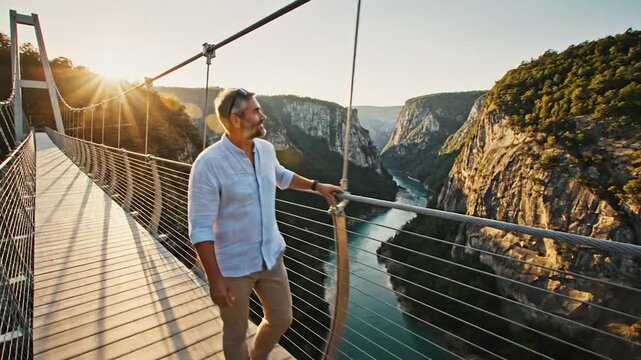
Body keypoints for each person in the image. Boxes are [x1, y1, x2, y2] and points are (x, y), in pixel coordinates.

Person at [188, 88, 343, 360]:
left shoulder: (265, 149)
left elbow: (280, 175)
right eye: (256, 111)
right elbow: (200, 227)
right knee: (235, 334)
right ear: (236, 120)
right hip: (233, 266)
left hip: (271, 256)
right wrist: (215, 280)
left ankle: (258, 356)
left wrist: (317, 186)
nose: (263, 116)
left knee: (282, 319)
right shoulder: (208, 164)